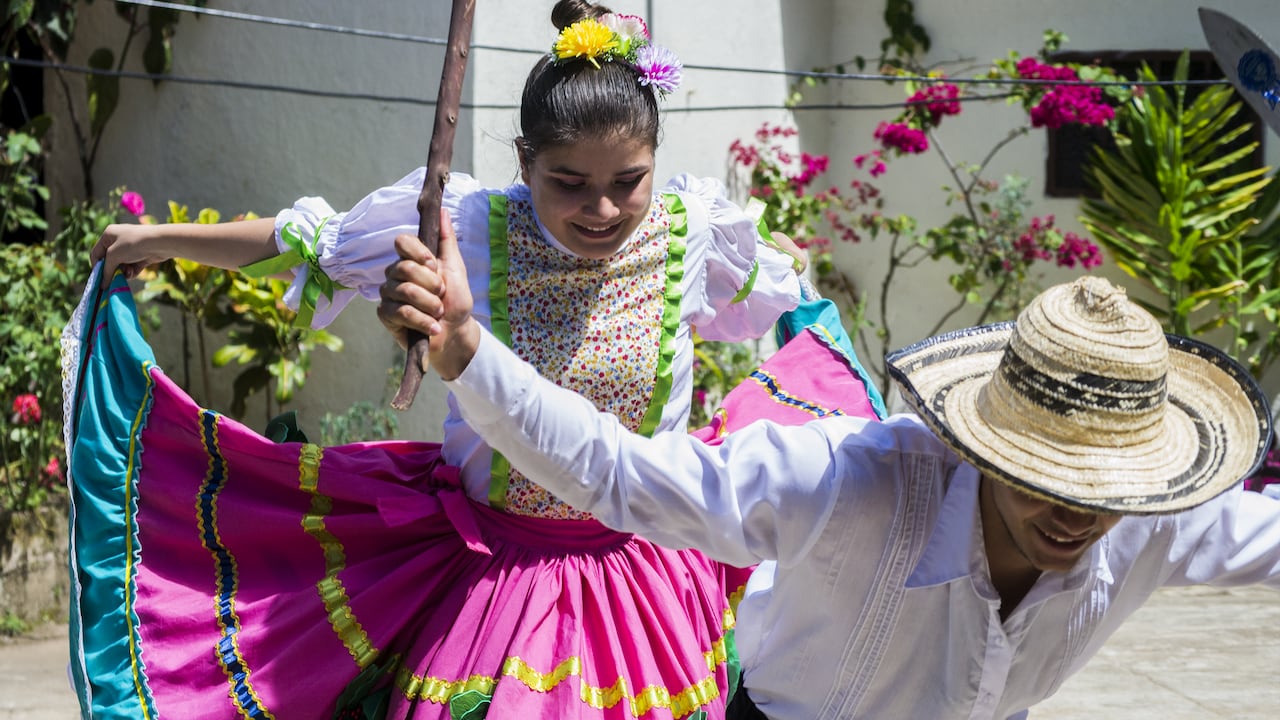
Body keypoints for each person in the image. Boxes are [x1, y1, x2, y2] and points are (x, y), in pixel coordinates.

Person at [76, 2, 814, 718]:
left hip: (644, 577)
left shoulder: (695, 236)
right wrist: (152, 241)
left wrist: (802, 312)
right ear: (525, 160)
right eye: (569, 183)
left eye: (628, 182)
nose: (602, 210)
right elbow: (310, 243)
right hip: (492, 580)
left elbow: (782, 298)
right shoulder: (463, 227)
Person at [377, 212, 1280, 720]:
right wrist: (465, 350)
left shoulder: (1156, 519)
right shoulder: (850, 480)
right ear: (984, 441)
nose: (1077, 512)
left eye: (1105, 490)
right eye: (1043, 472)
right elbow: (625, 475)